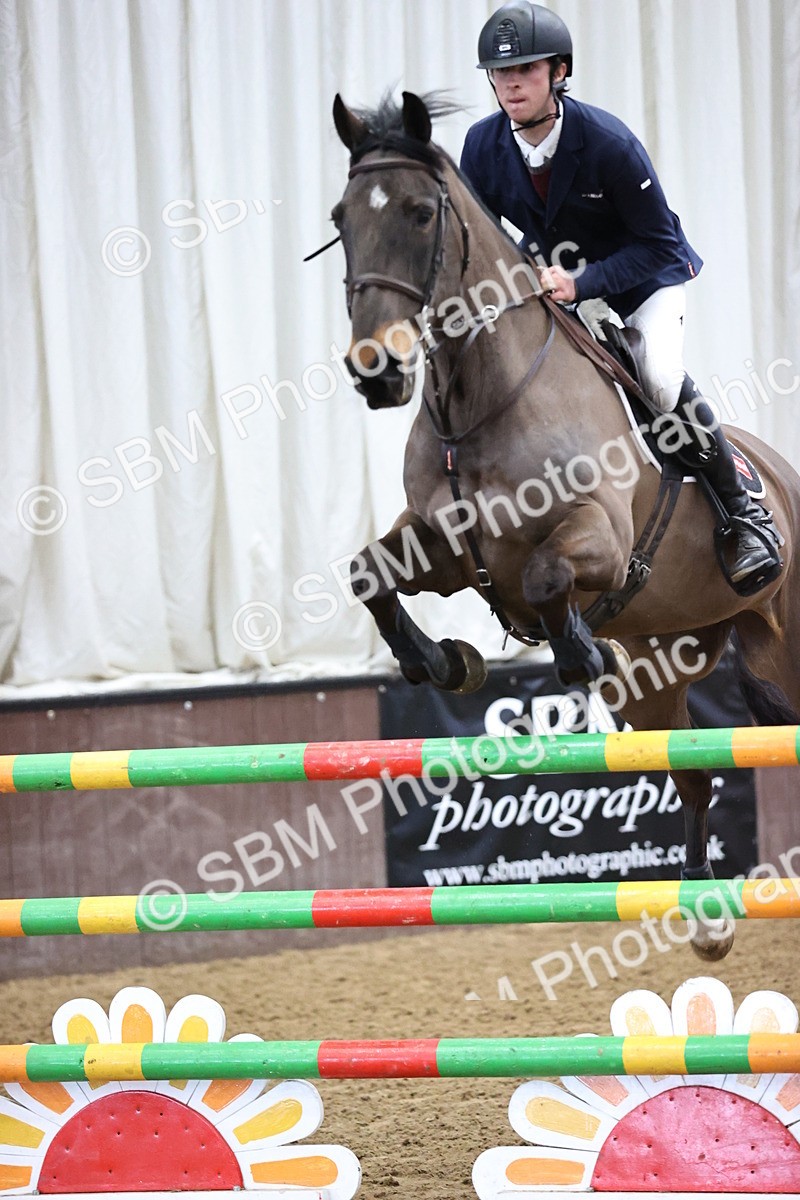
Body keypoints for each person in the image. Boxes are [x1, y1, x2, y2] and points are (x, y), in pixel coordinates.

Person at [460, 0, 781, 594]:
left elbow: (658, 245)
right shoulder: (482, 146)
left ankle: (744, 514)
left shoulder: (608, 144)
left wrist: (579, 283)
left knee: (657, 377)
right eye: (501, 73)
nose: (511, 83)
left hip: (642, 280)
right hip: (557, 288)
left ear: (559, 72)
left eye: (526, 70)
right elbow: (484, 236)